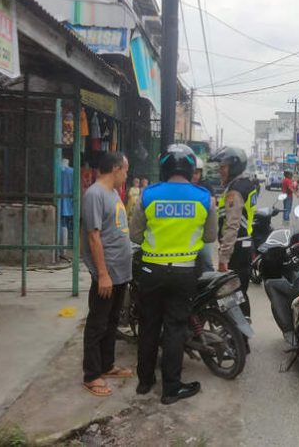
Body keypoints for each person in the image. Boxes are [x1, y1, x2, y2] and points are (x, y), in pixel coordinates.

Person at [130, 144, 217, 405]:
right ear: (191, 168)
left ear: (165, 167)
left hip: (150, 270)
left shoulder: (148, 195)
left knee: (148, 325)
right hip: (183, 273)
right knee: (175, 329)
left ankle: (145, 383)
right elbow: (210, 236)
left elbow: (135, 235)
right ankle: (171, 388)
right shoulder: (204, 198)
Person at [81, 152, 133, 397]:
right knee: (97, 323)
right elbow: (93, 236)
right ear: (115, 168)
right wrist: (102, 274)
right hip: (107, 271)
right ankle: (91, 375)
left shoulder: (112, 193)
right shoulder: (95, 194)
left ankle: (107, 365)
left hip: (119, 271)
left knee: (112, 321)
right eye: (125, 169)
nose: (126, 174)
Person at [211, 146, 258, 317]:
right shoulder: (246, 184)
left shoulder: (235, 191)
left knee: (232, 294)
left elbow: (232, 227)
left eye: (223, 167)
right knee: (240, 293)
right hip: (245, 245)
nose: (220, 171)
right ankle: (240, 334)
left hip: (236, 249)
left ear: (234, 167)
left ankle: (238, 335)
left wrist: (224, 258)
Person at [193, 157, 215, 272]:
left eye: (197, 173)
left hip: (202, 231)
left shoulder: (206, 187)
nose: (195, 176)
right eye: (192, 172)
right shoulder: (183, 187)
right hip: (187, 232)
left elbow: (212, 206)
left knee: (206, 260)